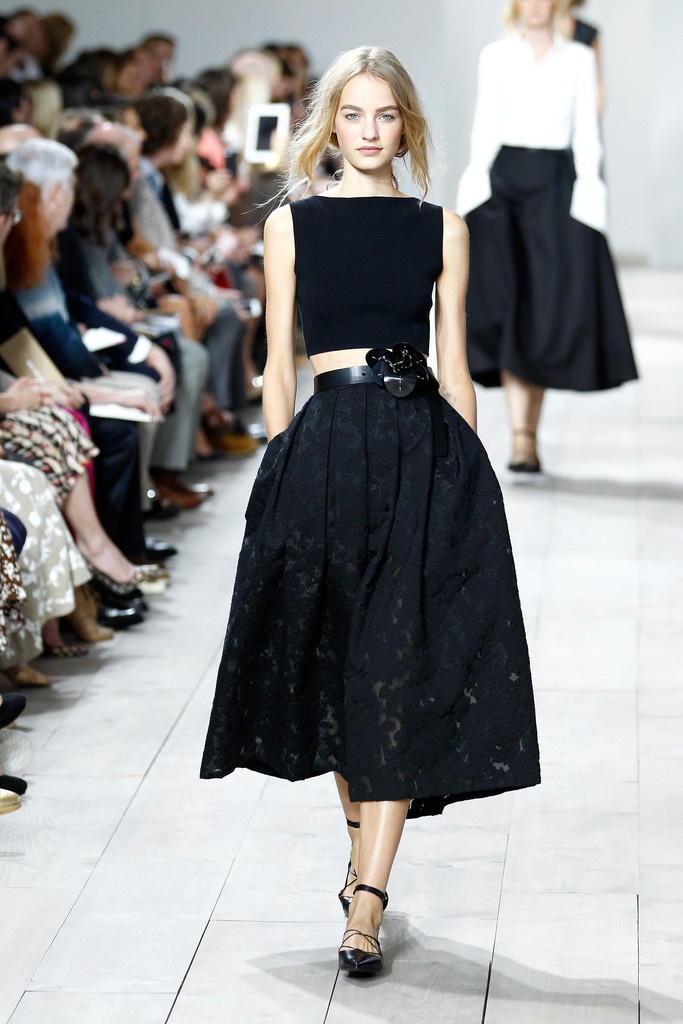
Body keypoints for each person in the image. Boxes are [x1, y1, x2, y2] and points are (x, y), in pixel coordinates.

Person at [201, 45, 540, 977]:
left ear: (406, 126)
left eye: (384, 114)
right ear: (330, 123)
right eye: (351, 114)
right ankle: (362, 862)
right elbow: (276, 366)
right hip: (320, 458)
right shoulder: (292, 225)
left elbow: (457, 366)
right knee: (344, 669)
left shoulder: (442, 227)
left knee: (394, 667)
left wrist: (472, 487)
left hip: (421, 454)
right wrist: (278, 471)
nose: (368, 130)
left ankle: (366, 902)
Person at [456, 0, 636, 473]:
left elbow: (587, 130)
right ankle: (522, 438)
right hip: (503, 184)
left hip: (558, 185)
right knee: (511, 305)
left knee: (545, 310)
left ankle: (527, 434)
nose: (534, 4)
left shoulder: (578, 58)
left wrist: (591, 197)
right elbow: (483, 125)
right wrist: (474, 188)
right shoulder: (495, 56)